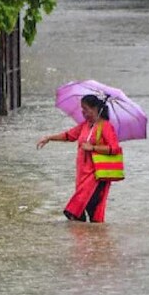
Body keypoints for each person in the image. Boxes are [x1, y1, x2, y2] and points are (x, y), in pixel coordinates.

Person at [37, 94, 122, 223]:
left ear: (95, 109)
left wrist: (92, 148)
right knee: (82, 209)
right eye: (82, 109)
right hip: (82, 174)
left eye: (86, 109)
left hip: (97, 175)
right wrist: (49, 138)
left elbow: (114, 148)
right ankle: (88, 238)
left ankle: (93, 238)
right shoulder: (85, 125)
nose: (83, 112)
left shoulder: (105, 126)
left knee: (83, 209)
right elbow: (68, 135)